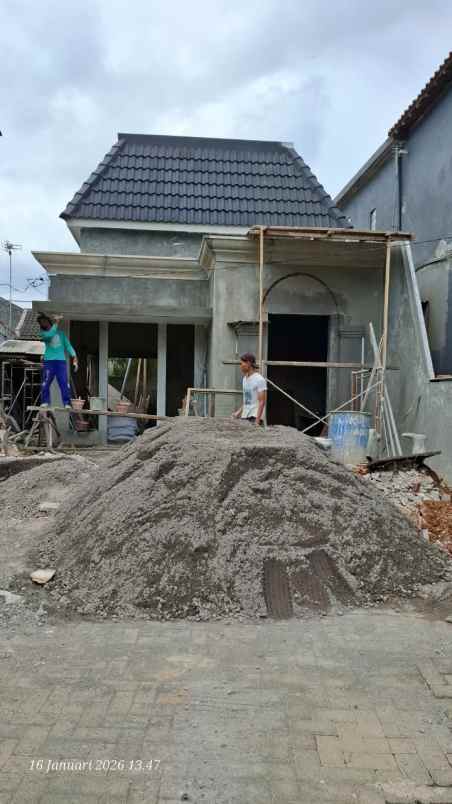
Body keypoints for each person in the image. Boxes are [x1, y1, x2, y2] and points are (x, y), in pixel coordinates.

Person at [37, 313, 78, 409]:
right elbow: (50, 335)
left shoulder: (61, 333)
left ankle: (67, 403)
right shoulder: (43, 334)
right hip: (49, 362)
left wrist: (74, 357)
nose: (43, 323)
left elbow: (68, 346)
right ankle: (45, 401)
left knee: (64, 383)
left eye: (44, 321)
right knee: (45, 382)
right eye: (41, 322)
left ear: (48, 321)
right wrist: (57, 322)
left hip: (60, 362)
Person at [233, 352, 267, 426]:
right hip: (245, 415)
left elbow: (262, 402)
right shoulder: (244, 379)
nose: (240, 366)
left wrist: (257, 421)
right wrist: (238, 412)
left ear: (248, 363)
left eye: (242, 364)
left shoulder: (259, 379)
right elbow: (247, 400)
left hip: (254, 416)